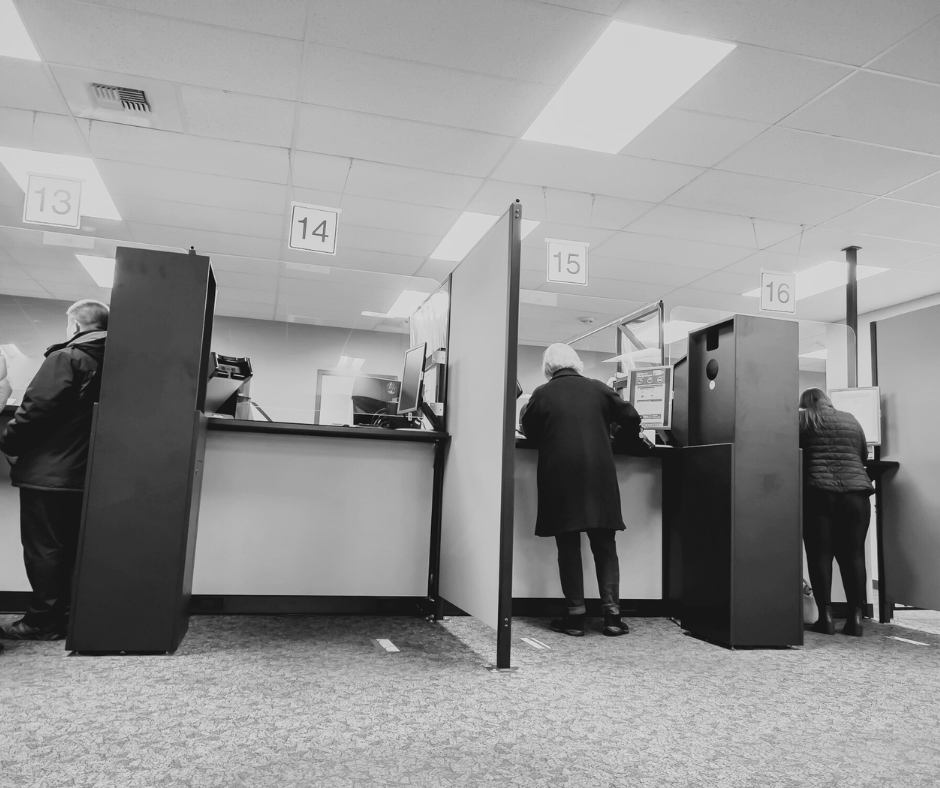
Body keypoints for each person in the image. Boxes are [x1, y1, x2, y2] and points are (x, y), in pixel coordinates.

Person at [0, 300, 108, 641]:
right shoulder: (118, 362)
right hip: (87, 471)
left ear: (75, 325)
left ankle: (43, 622)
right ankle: (66, 617)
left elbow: (36, 411)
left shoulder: (68, 356)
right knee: (73, 548)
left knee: (44, 548)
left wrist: (8, 442)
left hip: (49, 472)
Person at [521, 343, 643, 637]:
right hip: (598, 475)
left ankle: (574, 617)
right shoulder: (599, 389)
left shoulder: (541, 394)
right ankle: (612, 617)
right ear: (577, 364)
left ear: (548, 368)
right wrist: (619, 441)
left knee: (568, 545)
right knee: (604, 544)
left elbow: (529, 430)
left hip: (560, 476)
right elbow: (632, 417)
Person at [799, 387, 874, 637]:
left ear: (805, 403)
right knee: (854, 556)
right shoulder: (851, 419)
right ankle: (855, 619)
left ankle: (826, 618)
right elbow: (862, 455)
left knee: (820, 555)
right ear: (827, 401)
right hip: (856, 495)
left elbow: (791, 456)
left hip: (818, 494)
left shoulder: (802, 420)